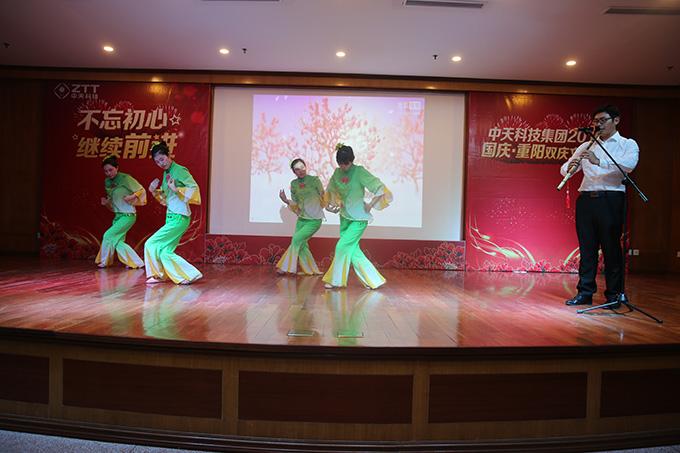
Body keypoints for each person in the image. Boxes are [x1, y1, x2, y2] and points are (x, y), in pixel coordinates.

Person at [561, 105, 639, 308]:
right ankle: (584, 292)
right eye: (596, 121)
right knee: (587, 249)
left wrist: (599, 161)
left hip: (611, 199)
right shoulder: (587, 146)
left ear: (616, 120)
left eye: (603, 120)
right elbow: (565, 168)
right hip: (586, 200)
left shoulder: (627, 144)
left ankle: (614, 294)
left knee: (611, 248)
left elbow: (628, 165)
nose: (598, 124)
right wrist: (570, 168)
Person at [323, 144, 392, 290]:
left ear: (351, 160)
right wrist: (330, 205)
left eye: (346, 163)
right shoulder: (337, 173)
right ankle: (374, 280)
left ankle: (335, 280)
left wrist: (371, 204)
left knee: (341, 247)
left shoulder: (359, 171)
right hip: (344, 217)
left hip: (359, 219)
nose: (343, 167)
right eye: (341, 163)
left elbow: (379, 187)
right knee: (354, 251)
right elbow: (330, 190)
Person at [144, 141, 203, 285]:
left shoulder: (180, 170)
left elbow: (194, 189)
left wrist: (177, 189)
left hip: (179, 217)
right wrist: (154, 191)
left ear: (169, 155)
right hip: (172, 217)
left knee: (150, 243)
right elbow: (167, 199)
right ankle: (187, 276)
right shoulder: (166, 173)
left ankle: (157, 275)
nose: (161, 163)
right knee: (165, 252)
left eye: (162, 159)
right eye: (157, 162)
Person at [95, 155, 146, 268]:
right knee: (117, 242)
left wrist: (131, 197)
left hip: (128, 216)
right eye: (106, 171)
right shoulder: (107, 182)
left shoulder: (125, 178)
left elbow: (141, 190)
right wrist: (106, 203)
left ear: (117, 168)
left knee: (108, 235)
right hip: (118, 216)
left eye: (111, 170)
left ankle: (104, 261)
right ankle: (135, 263)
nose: (109, 173)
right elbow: (112, 202)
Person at [276, 158, 325, 276]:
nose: (301, 171)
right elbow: (296, 203)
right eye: (297, 169)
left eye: (302, 167)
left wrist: (331, 206)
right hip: (302, 219)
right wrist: (285, 200)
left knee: (296, 240)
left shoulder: (315, 180)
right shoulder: (294, 184)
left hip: (314, 220)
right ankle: (311, 270)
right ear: (294, 172)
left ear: (305, 167)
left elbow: (324, 196)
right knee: (302, 245)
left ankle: (284, 267)